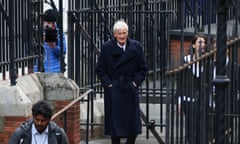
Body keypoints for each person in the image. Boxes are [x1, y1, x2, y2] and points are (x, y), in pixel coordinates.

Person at [95, 19, 147, 144]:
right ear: (114, 34)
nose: (122, 36)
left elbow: (143, 68)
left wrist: (135, 83)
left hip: (129, 88)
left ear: (128, 33)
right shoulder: (107, 48)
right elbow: (100, 69)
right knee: (115, 126)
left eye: (124, 33)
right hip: (114, 90)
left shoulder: (136, 47)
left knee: (132, 124)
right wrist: (109, 85)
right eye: (119, 33)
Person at [176, 34, 208, 144]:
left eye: (204, 42)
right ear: (193, 45)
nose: (202, 44)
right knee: (190, 126)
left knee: (201, 126)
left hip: (202, 99)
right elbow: (179, 82)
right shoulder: (186, 61)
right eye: (199, 42)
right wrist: (179, 101)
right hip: (187, 99)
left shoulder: (207, 61)